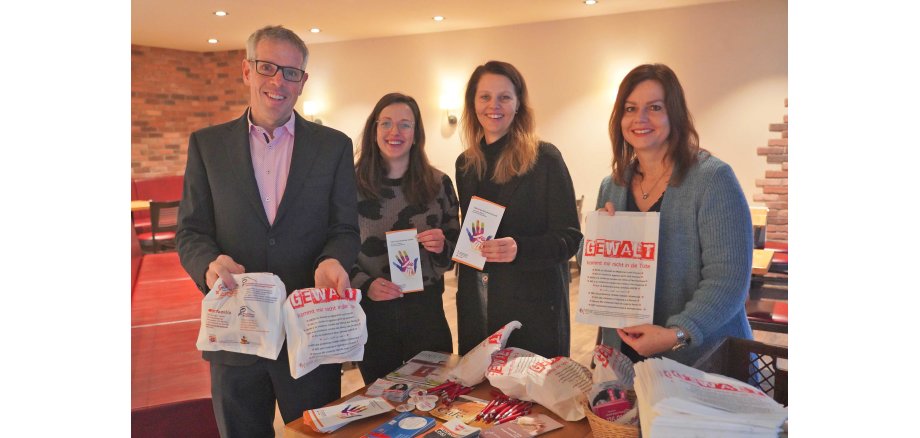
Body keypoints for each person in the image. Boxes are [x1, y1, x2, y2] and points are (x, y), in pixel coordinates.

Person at [176, 25, 360, 437]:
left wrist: (333, 259)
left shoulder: (333, 146)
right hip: (234, 336)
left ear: (303, 82)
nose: (278, 81)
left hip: (308, 336)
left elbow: (345, 227)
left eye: (291, 72)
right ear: (247, 71)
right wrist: (208, 263)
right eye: (267, 67)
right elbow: (190, 231)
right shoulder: (207, 146)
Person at [594, 63, 753, 366]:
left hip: (703, 358)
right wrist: (597, 236)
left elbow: (728, 281)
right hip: (627, 356)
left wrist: (677, 333)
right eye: (630, 108)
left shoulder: (712, 179)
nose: (640, 118)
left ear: (674, 114)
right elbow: (592, 267)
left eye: (654, 107)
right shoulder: (612, 185)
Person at [454, 60, 582, 359]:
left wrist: (519, 249)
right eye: (484, 96)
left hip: (532, 310)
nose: (493, 105)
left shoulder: (545, 158)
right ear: (473, 104)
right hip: (477, 304)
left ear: (518, 104)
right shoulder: (465, 164)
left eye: (504, 97)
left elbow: (571, 237)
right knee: (479, 400)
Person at [350, 93, 460, 384]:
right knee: (380, 404)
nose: (394, 132)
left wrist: (441, 247)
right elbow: (333, 252)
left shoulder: (439, 184)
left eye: (404, 125)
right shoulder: (349, 185)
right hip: (372, 315)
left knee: (434, 399)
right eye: (385, 123)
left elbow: (457, 250)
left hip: (426, 312)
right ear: (374, 131)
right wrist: (365, 285)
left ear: (416, 134)